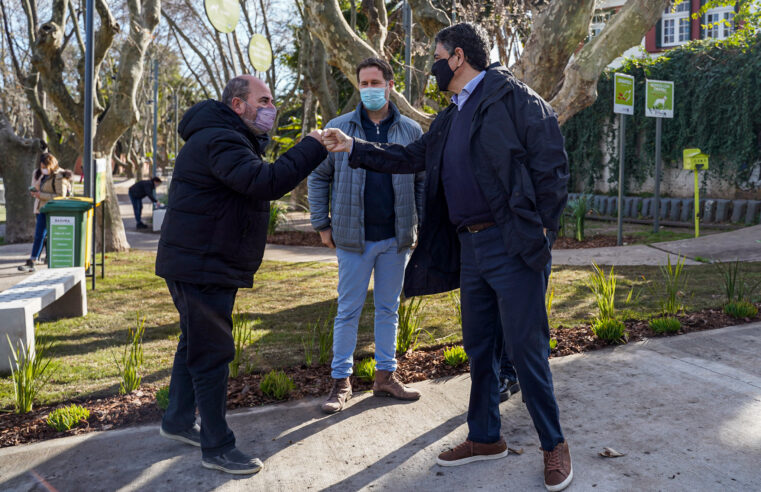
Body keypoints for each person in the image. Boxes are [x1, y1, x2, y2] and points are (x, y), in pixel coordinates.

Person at [323, 23, 572, 492]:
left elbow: (552, 165)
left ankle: (554, 444)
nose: (432, 66)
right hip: (471, 248)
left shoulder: (513, 97)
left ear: (457, 57)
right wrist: (353, 146)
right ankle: (485, 437)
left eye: (436, 56)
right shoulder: (451, 115)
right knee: (479, 346)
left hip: (512, 242)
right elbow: (409, 157)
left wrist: (543, 227)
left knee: (525, 348)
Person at [155, 74, 327, 475]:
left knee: (193, 343)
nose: (271, 108)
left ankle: (178, 421)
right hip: (201, 265)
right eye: (263, 100)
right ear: (238, 105)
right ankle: (217, 447)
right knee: (212, 352)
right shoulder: (221, 139)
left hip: (202, 261)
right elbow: (265, 182)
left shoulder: (225, 136)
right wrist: (312, 146)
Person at [308, 57, 425, 414]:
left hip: (396, 239)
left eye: (376, 82)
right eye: (364, 83)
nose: (369, 89)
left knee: (389, 310)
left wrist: (416, 225)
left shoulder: (410, 131)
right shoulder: (338, 128)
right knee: (348, 311)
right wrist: (321, 224)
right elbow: (318, 177)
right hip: (353, 240)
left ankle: (385, 378)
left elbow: (421, 181)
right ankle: (340, 383)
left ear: (391, 85)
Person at [18, 152, 72, 273]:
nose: (43, 169)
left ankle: (52, 259)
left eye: (44, 167)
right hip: (43, 209)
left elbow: (61, 196)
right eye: (41, 167)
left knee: (51, 236)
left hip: (54, 210)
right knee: (39, 235)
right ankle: (33, 260)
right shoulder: (45, 176)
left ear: (51, 165)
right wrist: (36, 190)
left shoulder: (59, 176)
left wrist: (40, 195)